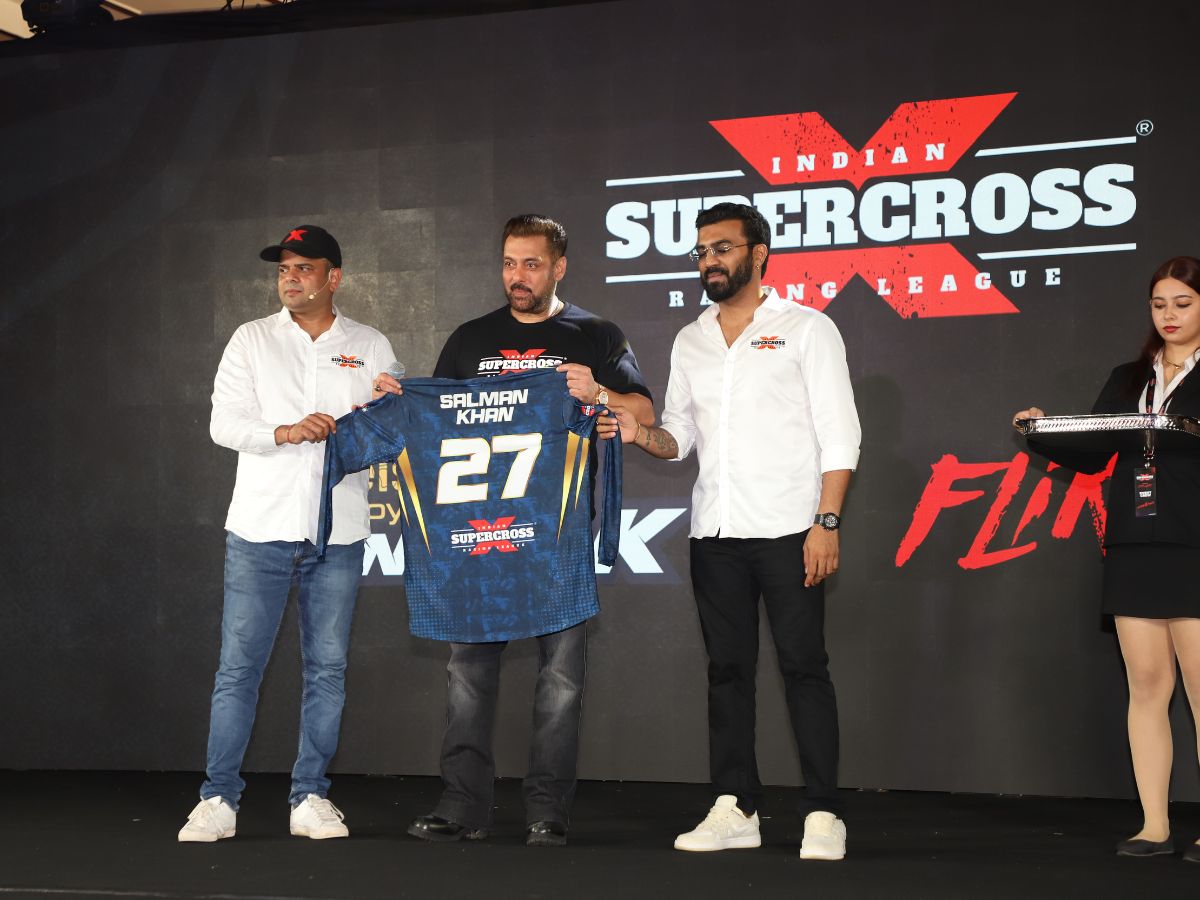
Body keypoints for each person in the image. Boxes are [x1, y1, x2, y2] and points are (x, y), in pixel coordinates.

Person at [374, 213, 653, 847]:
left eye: (531, 263)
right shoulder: (471, 337)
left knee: (562, 681)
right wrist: (399, 396)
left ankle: (547, 811)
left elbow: (642, 409)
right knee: (466, 675)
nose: (517, 276)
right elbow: (430, 418)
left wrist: (599, 392)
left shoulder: (596, 334)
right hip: (475, 537)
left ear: (559, 267)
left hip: (557, 537)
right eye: (508, 263)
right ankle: (462, 805)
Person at [606, 202, 861, 861]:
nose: (709, 261)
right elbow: (679, 438)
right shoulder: (690, 339)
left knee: (804, 668)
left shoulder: (807, 328)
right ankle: (735, 806)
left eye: (721, 248)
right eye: (701, 252)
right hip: (714, 532)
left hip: (790, 529)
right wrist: (639, 433)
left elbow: (840, 434)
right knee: (727, 673)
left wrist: (826, 521)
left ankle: (824, 812)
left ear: (759, 253)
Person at [177, 225, 396, 842]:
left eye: (304, 268)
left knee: (327, 669)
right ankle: (218, 798)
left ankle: (310, 797)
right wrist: (286, 432)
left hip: (338, 532)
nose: (290, 278)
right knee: (238, 670)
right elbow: (224, 424)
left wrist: (387, 409)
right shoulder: (251, 339)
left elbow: (390, 432)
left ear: (334, 277)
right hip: (260, 527)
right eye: (284, 269)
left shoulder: (370, 344)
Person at [1013, 256, 1200, 863]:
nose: (1169, 315)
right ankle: (1154, 826)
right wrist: (1042, 431)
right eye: (1159, 304)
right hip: (1133, 544)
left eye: (1183, 303)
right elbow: (1093, 452)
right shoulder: (1129, 377)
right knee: (1146, 686)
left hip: (1195, 544)